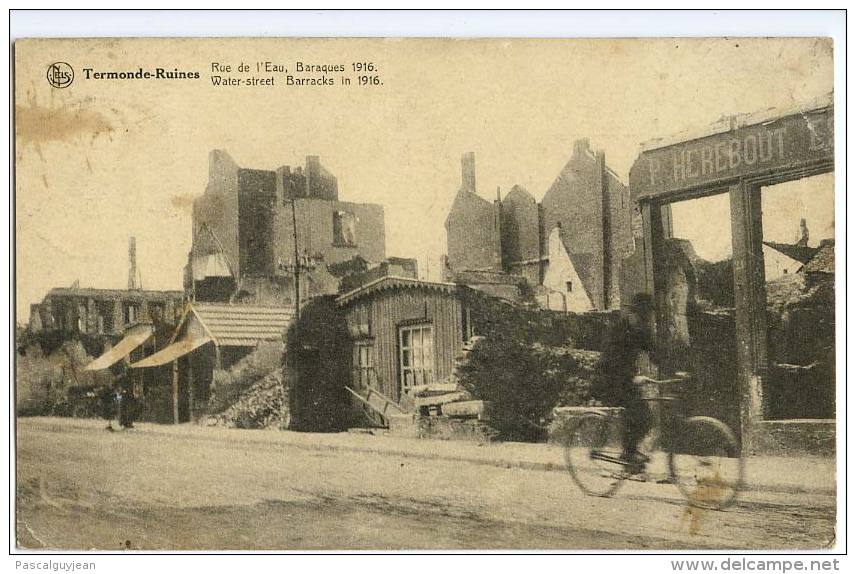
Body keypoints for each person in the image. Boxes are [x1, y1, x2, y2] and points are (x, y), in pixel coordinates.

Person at [595, 292, 657, 475]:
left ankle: (631, 455)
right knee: (637, 411)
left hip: (625, 381)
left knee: (646, 418)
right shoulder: (619, 330)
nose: (644, 318)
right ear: (633, 313)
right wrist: (632, 378)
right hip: (608, 379)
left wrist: (679, 367)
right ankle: (628, 455)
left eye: (647, 315)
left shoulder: (642, 330)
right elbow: (610, 362)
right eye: (641, 314)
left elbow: (655, 353)